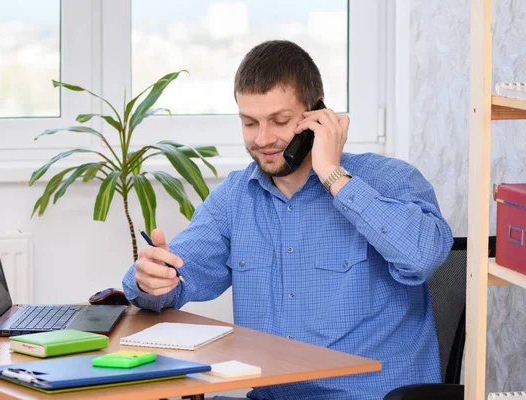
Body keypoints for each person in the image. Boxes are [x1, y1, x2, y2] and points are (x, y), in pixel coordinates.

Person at [122, 40, 453, 400]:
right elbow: (174, 278)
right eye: (249, 123)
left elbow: (423, 257)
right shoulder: (235, 198)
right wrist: (151, 279)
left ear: (318, 114)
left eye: (279, 121)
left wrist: (333, 176)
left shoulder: (391, 180)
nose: (263, 139)